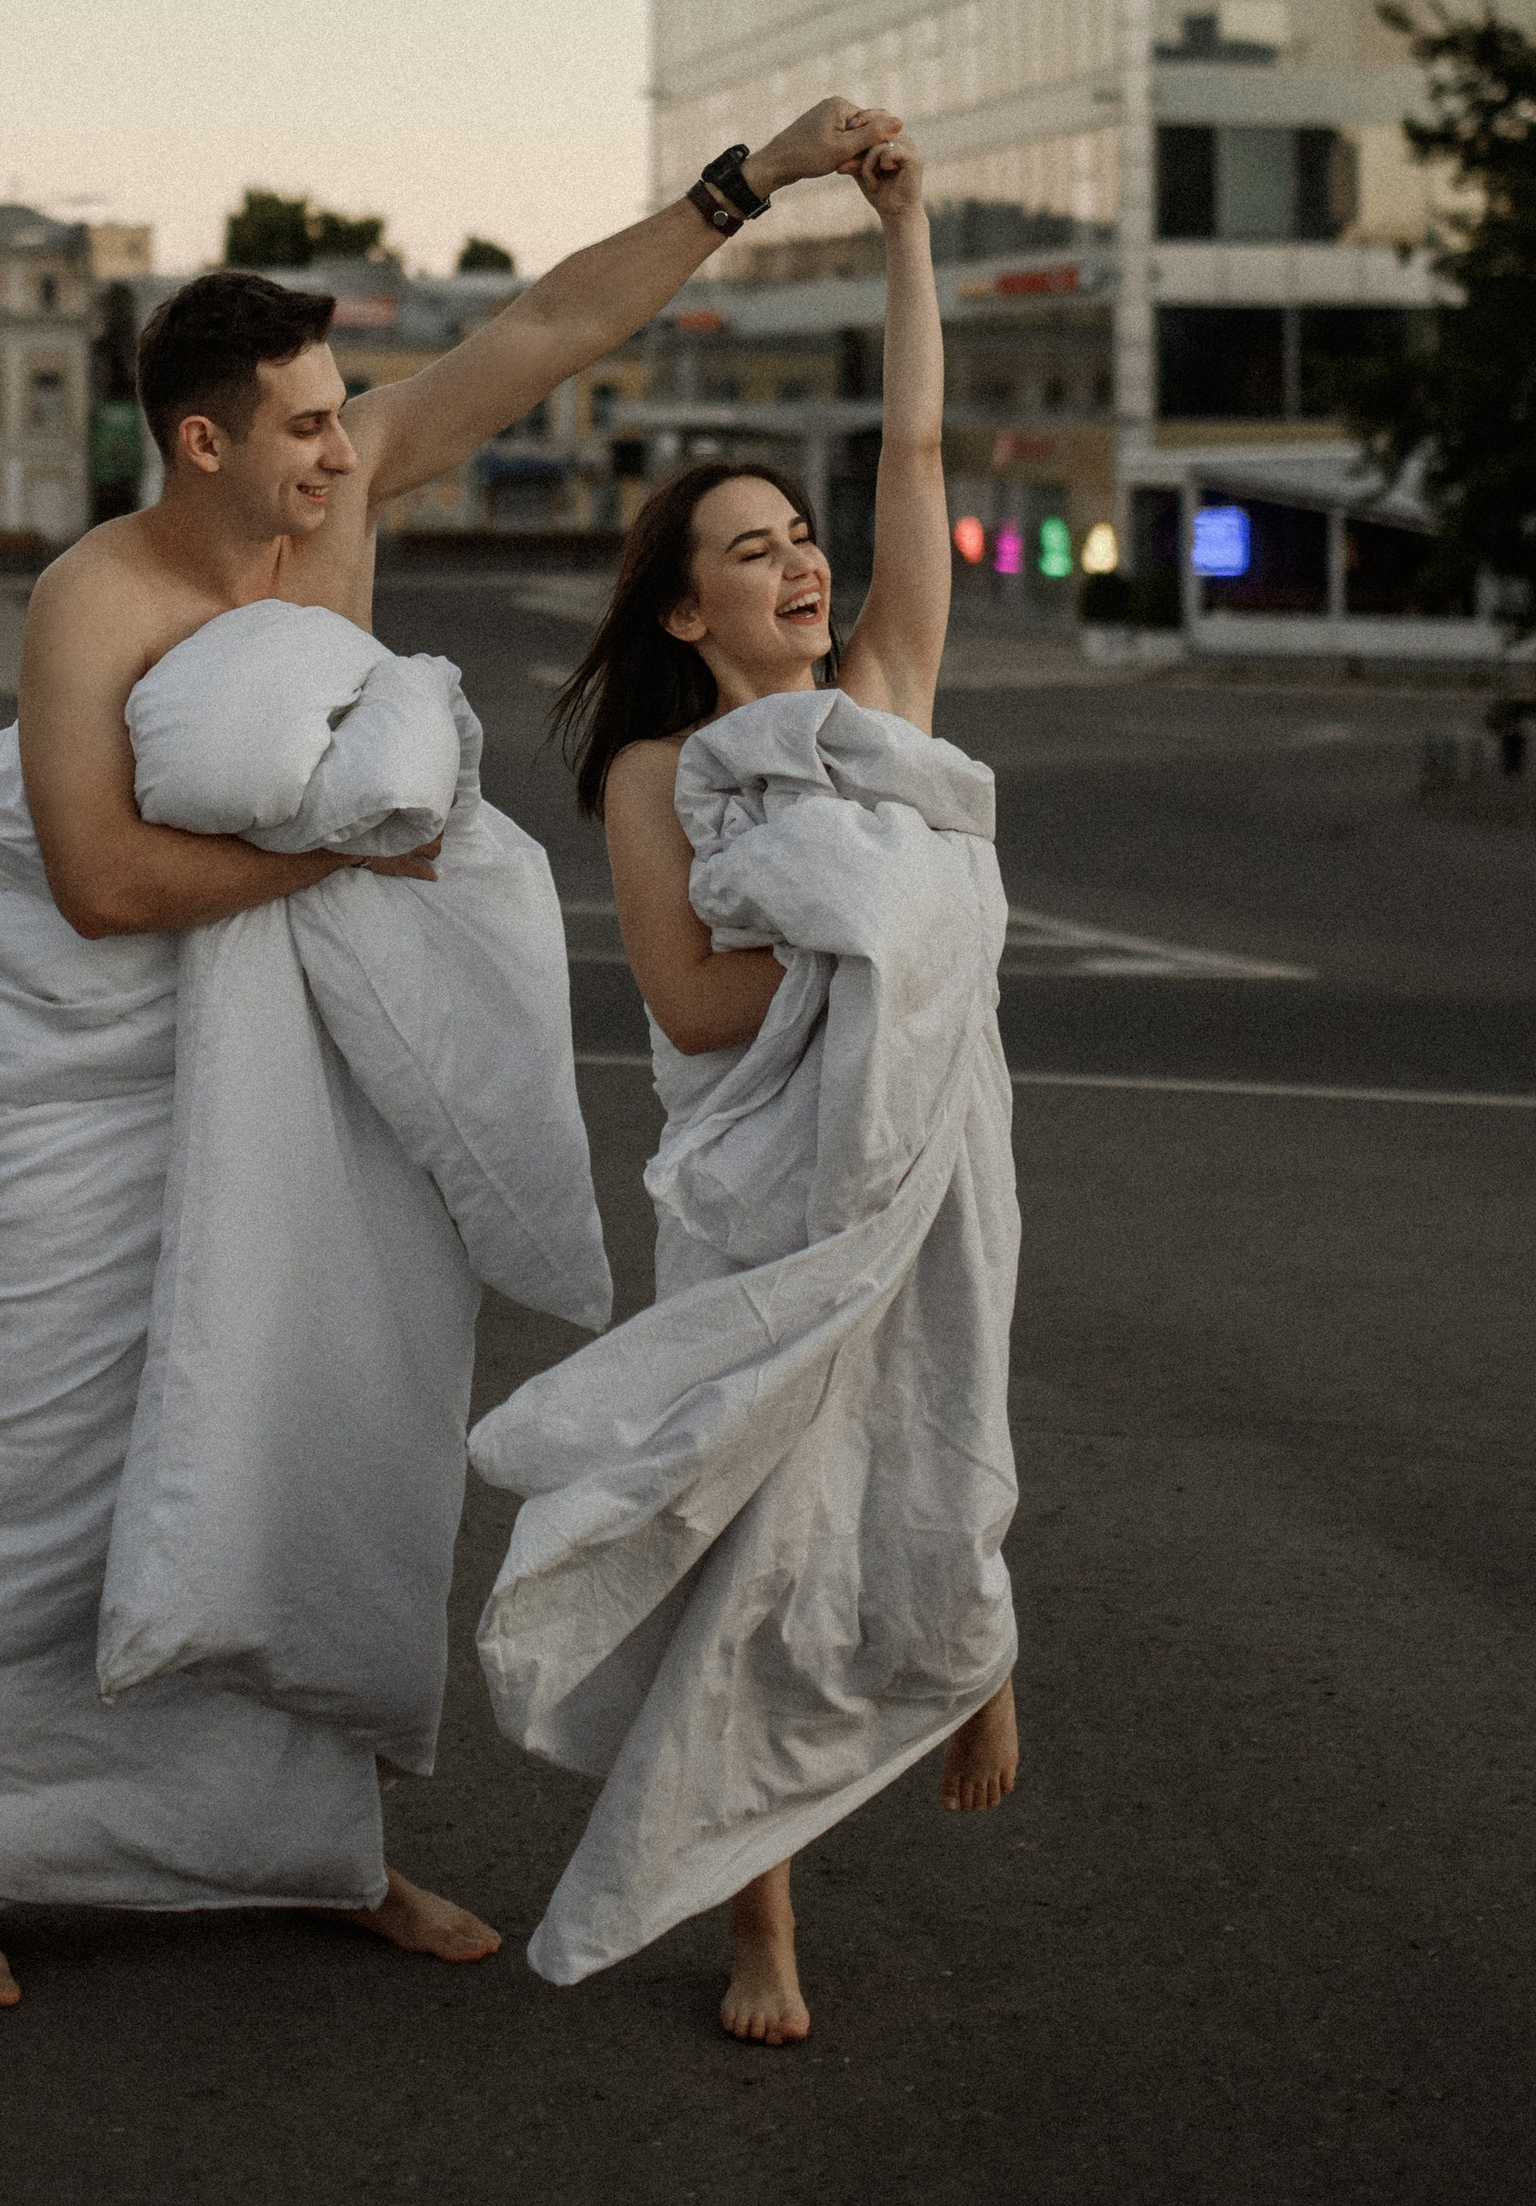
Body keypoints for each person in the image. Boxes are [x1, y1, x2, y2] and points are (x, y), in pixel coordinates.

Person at [0, 96, 898, 2013]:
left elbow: (546, 330)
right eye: (307, 424)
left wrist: (749, 185)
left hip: (307, 1060)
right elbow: (99, 879)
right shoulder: (96, 599)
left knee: (319, 1431)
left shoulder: (338, 503)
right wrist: (341, 850)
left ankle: (310, 1850)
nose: (349, 448)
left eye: (344, 416)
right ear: (206, 441)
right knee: (30, 1452)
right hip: (92, 1079)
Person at [515, 130, 1019, 2045]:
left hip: (921, 1152)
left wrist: (908, 234)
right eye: (753, 549)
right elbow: (694, 1006)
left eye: (801, 535)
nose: (803, 559)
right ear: (683, 615)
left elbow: (919, 455)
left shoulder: (880, 705)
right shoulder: (660, 776)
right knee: (746, 1531)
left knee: (940, 1415)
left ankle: (964, 1636)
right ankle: (759, 1922)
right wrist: (861, 953)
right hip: (752, 1182)